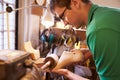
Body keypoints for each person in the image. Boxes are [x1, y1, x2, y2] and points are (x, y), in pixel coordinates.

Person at [49, 0, 120, 80]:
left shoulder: (97, 31)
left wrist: (68, 74)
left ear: (75, 3)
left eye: (62, 16)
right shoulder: (105, 14)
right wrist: (90, 52)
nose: (65, 23)